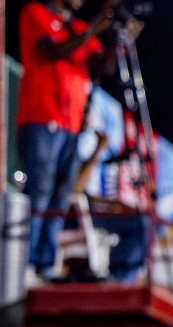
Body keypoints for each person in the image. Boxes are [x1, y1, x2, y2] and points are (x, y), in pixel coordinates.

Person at [16, 0, 115, 277]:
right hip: (40, 120)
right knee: (39, 193)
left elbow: (103, 68)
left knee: (60, 199)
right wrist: (94, 28)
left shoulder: (80, 28)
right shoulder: (35, 12)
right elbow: (51, 51)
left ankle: (44, 266)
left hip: (72, 128)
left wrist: (119, 38)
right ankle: (22, 262)